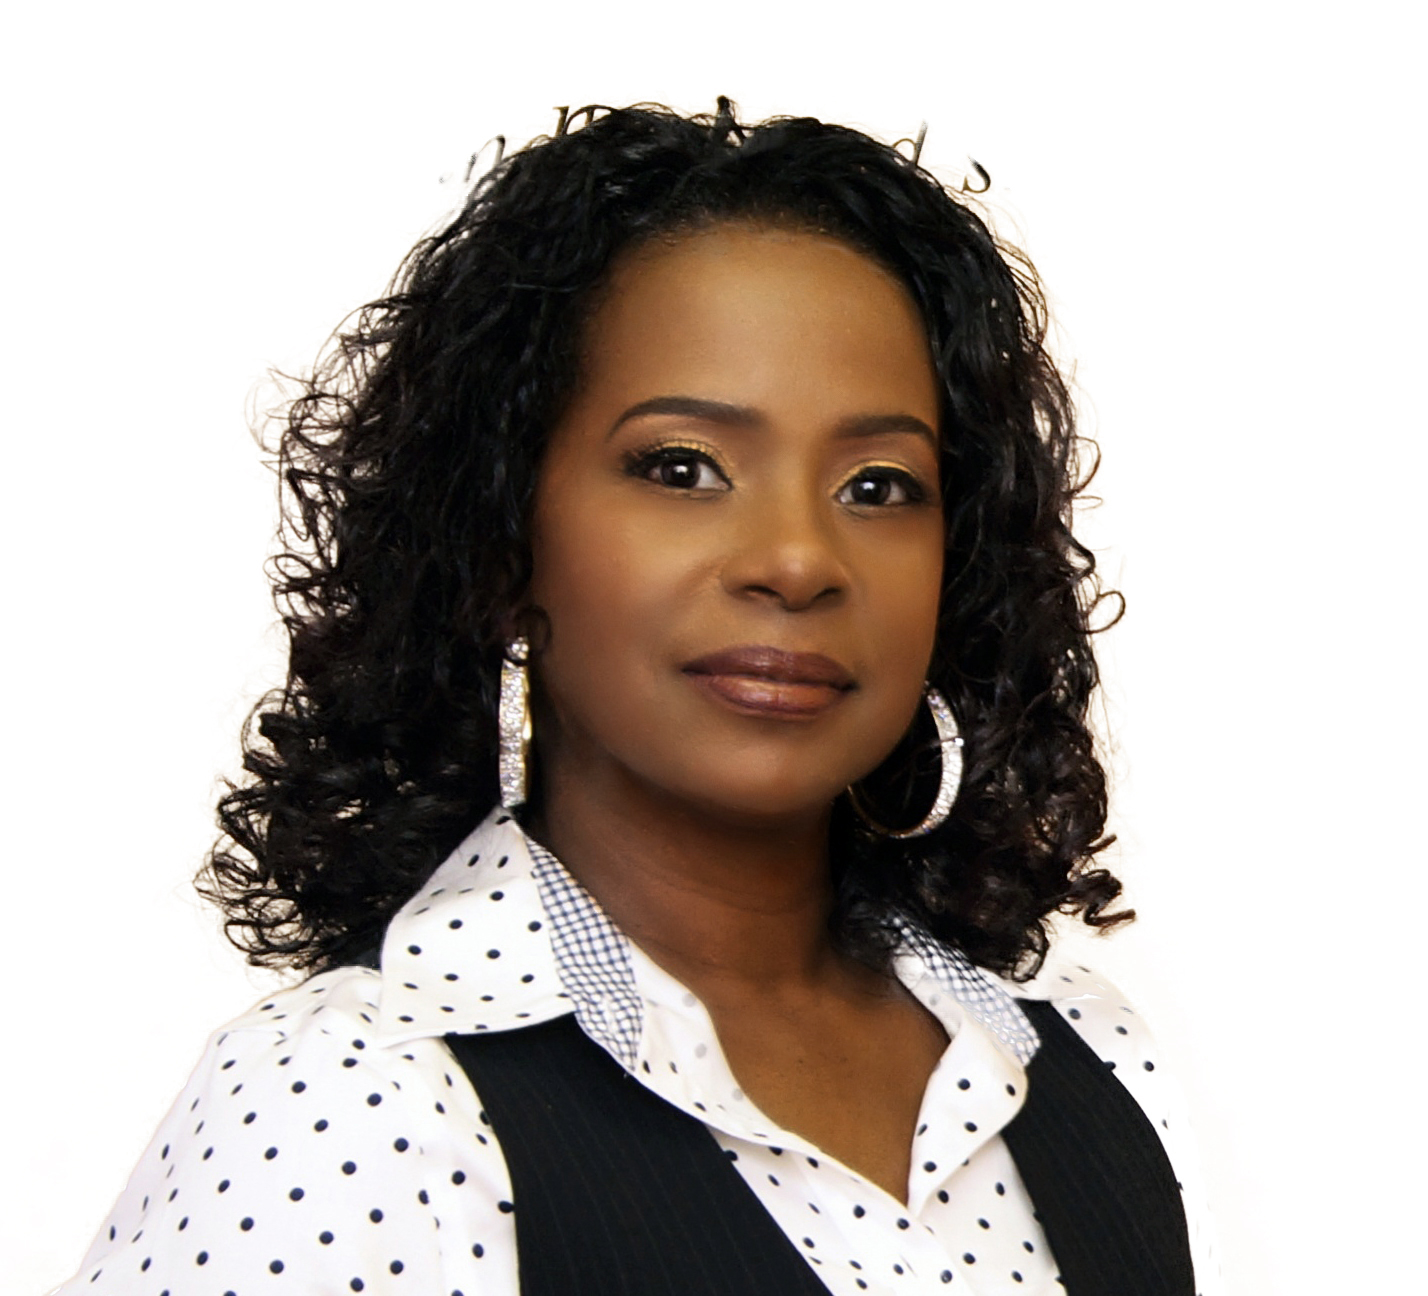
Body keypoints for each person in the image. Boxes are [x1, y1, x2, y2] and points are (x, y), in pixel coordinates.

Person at [56, 99, 1217, 1295]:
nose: (798, 560)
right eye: (682, 468)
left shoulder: (1079, 1056)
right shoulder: (353, 1100)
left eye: (878, 485)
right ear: (501, 542)